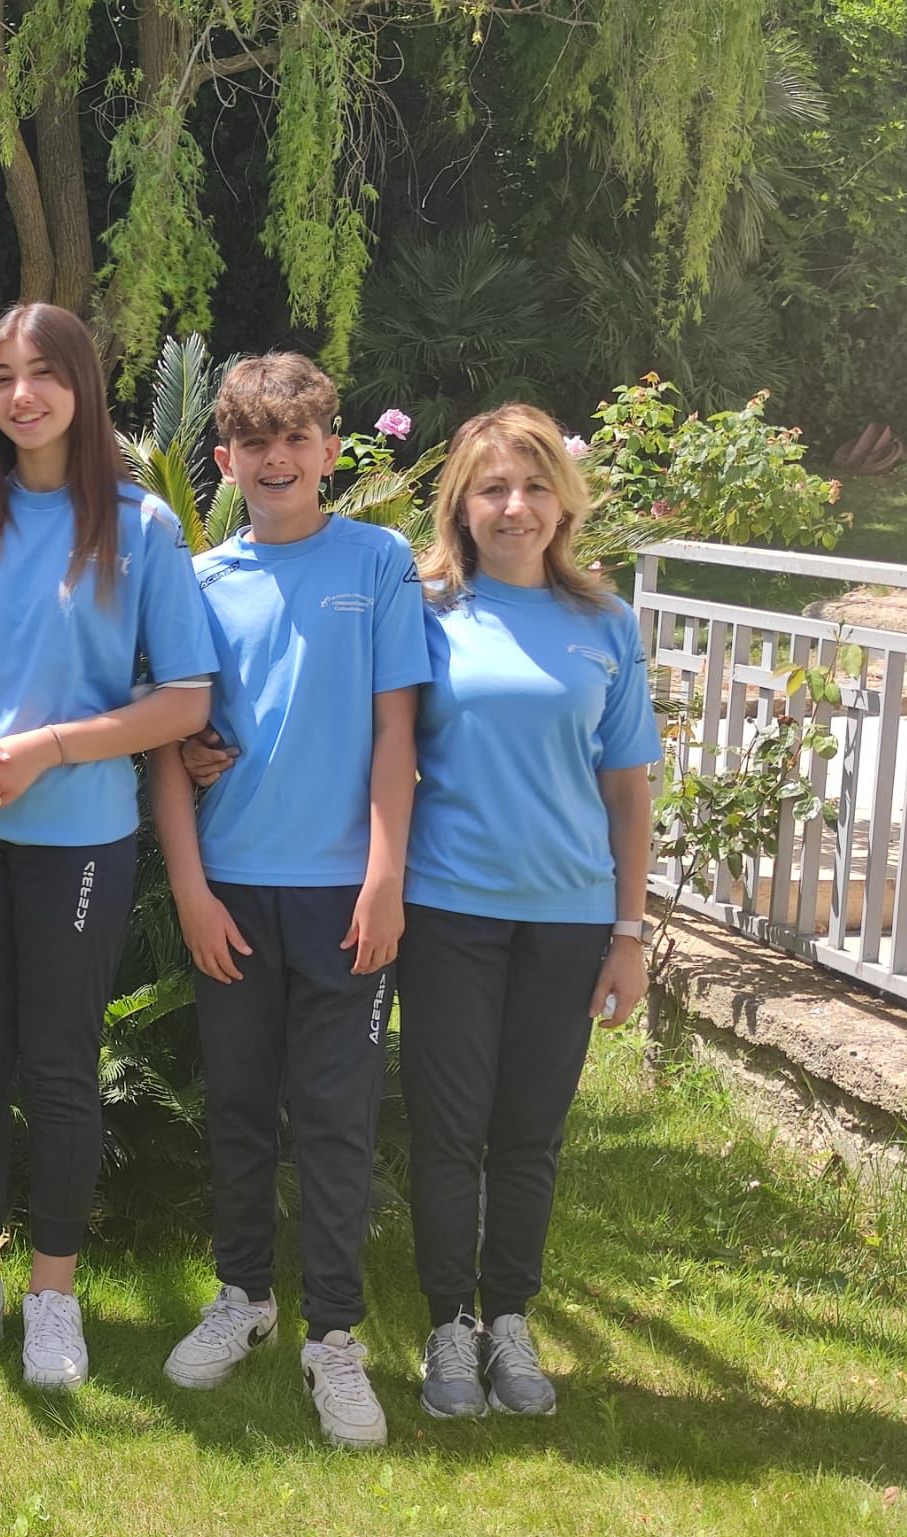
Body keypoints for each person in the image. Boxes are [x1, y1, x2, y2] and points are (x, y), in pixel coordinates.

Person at [0, 303, 216, 1390]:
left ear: (80, 385)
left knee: (61, 1068)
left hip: (79, 838)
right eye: (0, 376)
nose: (21, 394)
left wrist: (53, 747)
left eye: (42, 374)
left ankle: (52, 1303)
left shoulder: (140, 528)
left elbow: (183, 700)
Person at [148, 354, 427, 1450]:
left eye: (294, 439)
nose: (274, 459)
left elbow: (396, 730)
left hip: (345, 898)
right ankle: (242, 1300)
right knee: (236, 1109)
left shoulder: (379, 560)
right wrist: (187, 890)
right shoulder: (200, 579)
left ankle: (333, 1336)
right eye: (252, 443)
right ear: (223, 461)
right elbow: (174, 742)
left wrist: (384, 874)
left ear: (327, 452)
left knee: (334, 1121)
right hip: (230, 894)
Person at [393, 403, 658, 1419]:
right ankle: (446, 1326)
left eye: (533, 485)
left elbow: (625, 791)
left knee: (528, 1134)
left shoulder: (604, 623)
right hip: (448, 910)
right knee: (448, 1130)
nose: (514, 507)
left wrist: (626, 935)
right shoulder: (420, 609)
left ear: (562, 501)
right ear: (461, 502)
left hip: (566, 920)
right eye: (492, 487)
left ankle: (508, 1317)